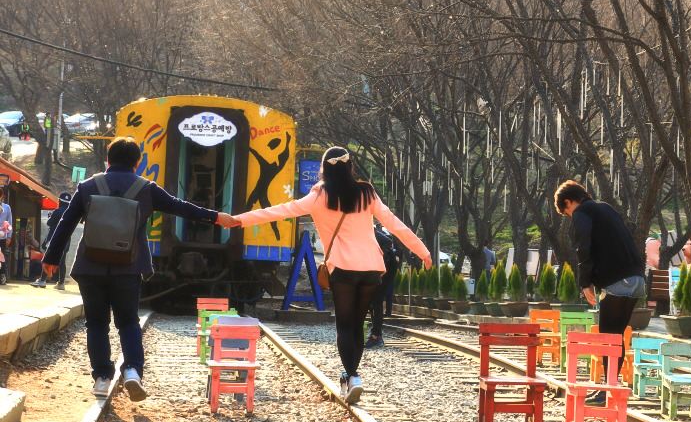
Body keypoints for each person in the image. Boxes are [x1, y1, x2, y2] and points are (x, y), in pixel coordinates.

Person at [228, 146, 431, 404]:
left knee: (344, 326)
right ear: (350, 167)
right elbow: (394, 224)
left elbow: (279, 211)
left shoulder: (319, 196)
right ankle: (350, 377)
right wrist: (422, 251)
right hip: (371, 268)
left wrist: (238, 220)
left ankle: (353, 377)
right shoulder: (367, 193)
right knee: (358, 325)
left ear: (324, 168)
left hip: (343, 269)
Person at [43, 137, 226, 401]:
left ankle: (102, 379)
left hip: (90, 267)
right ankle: (132, 372)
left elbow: (66, 225)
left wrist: (51, 257)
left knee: (96, 323)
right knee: (128, 322)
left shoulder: (87, 186)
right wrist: (216, 217)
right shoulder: (146, 188)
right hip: (128, 267)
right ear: (137, 162)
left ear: (108, 159)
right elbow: (180, 207)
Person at [554, 180, 645, 404]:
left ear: (568, 202)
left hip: (617, 280)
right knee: (616, 337)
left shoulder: (582, 212)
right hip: (637, 279)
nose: (569, 217)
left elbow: (583, 248)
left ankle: (607, 391)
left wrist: (585, 283)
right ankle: (610, 388)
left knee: (607, 338)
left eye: (566, 213)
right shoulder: (606, 208)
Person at [366, 225, 400, 349]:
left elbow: (387, 241)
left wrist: (380, 257)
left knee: (376, 300)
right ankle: (374, 335)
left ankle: (376, 336)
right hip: (375, 268)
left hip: (386, 268)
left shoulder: (367, 229)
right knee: (370, 300)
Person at [32, 192, 72, 289]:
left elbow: (50, 223)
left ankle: (43, 280)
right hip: (66, 240)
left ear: (60, 201)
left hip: (55, 239)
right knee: (62, 261)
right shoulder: (71, 212)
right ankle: (61, 283)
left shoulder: (58, 211)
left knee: (48, 258)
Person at [0, 187, 11, 285]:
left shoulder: (7, 207)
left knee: (2, 256)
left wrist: (9, 236)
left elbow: (9, 221)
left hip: (2, 236)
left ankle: (2, 275)